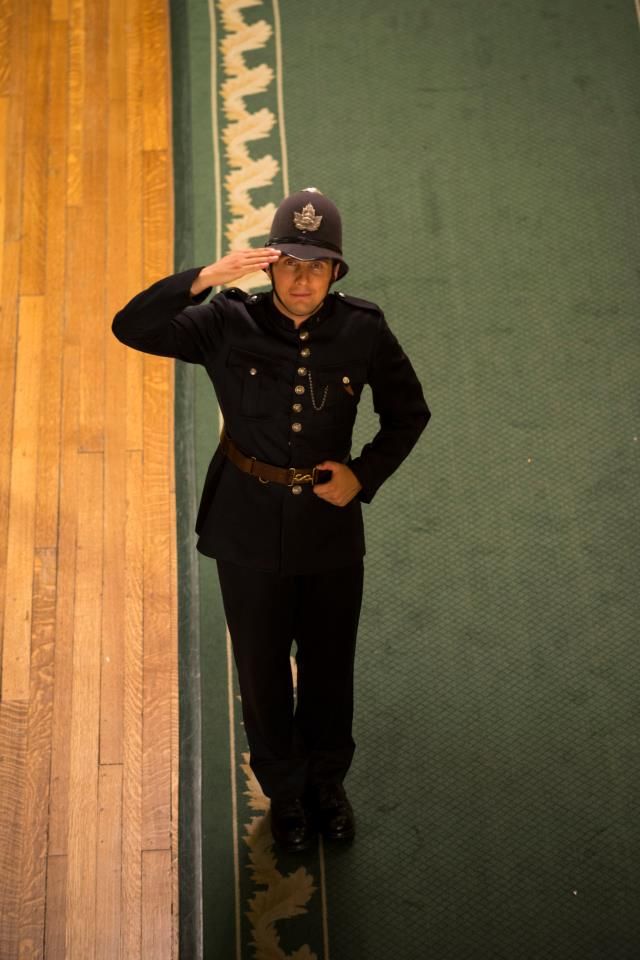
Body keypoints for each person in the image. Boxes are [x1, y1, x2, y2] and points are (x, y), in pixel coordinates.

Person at [112, 188, 430, 853]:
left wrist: (363, 475)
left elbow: (409, 413)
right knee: (260, 671)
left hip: (327, 527)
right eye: (290, 262)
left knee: (327, 665)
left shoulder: (363, 330)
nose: (304, 277)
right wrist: (201, 280)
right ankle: (285, 792)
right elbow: (131, 327)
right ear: (268, 265)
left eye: (320, 264)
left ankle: (326, 784)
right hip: (246, 525)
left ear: (338, 271)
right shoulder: (226, 322)